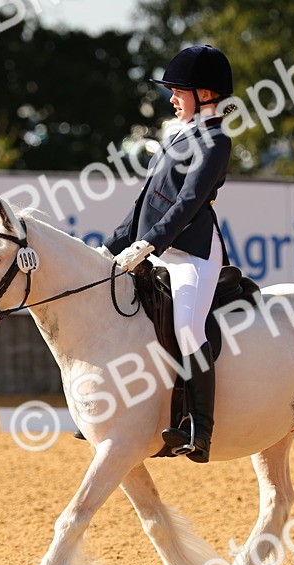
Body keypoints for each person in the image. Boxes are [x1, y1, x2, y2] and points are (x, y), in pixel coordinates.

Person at [103, 44, 234, 463]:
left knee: (187, 330)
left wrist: (150, 244)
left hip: (191, 255)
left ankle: (200, 429)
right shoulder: (177, 137)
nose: (172, 98)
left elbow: (188, 203)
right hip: (157, 248)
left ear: (205, 94)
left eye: (179, 91)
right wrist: (112, 245)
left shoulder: (216, 141)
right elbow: (144, 202)